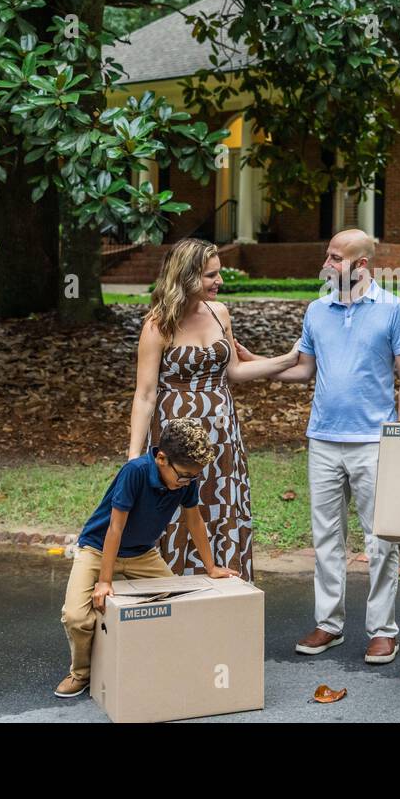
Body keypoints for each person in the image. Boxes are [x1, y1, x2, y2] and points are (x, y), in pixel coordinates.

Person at [245, 229, 400, 665]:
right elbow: (302, 371)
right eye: (328, 255)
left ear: (362, 265)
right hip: (323, 439)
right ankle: (329, 624)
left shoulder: (393, 309)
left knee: (380, 540)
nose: (327, 264)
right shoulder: (316, 311)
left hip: (373, 442)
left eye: (336, 258)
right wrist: (254, 366)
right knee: (326, 538)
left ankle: (383, 631)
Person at [128, 237, 299, 581]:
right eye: (211, 275)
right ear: (186, 276)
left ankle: (223, 590)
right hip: (175, 437)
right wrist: (134, 458)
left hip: (222, 436)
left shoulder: (220, 313)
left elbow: (234, 371)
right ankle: (175, 590)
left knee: (220, 506)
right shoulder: (157, 325)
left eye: (218, 274)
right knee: (178, 506)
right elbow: (145, 395)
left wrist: (288, 358)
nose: (219, 281)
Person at [55, 418, 237, 698]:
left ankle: (163, 664)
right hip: (97, 549)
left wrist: (210, 567)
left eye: (193, 476)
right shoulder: (135, 472)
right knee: (77, 616)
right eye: (185, 475)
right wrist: (104, 581)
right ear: (161, 458)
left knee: (181, 604)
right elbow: (115, 528)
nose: (188, 482)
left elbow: (195, 521)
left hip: (142, 553)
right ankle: (82, 673)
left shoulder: (186, 479)